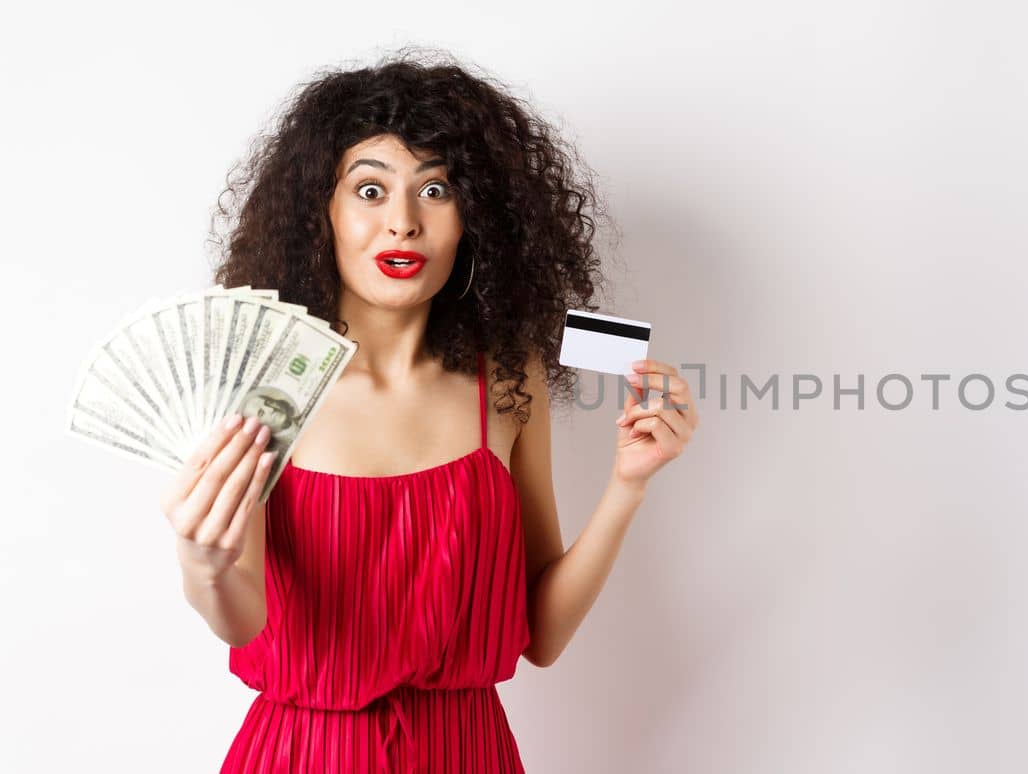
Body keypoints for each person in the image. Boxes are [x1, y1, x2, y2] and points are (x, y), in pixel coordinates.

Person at [156, 49, 699, 773]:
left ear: (476, 216)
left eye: (436, 189)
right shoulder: (264, 386)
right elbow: (241, 620)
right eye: (370, 190)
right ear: (322, 211)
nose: (403, 223)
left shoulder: (510, 382)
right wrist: (203, 566)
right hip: (304, 756)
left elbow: (540, 635)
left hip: (468, 754)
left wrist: (628, 485)